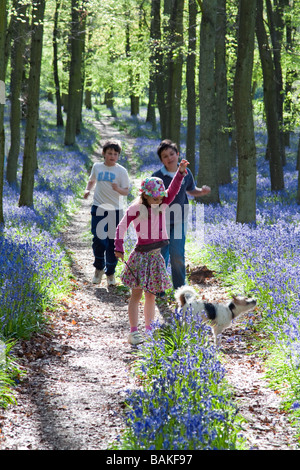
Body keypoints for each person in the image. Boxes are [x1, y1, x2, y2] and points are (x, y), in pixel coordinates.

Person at [114, 159, 189, 345]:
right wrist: (119, 247)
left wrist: (180, 173)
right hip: (140, 257)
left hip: (156, 258)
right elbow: (120, 227)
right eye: (155, 198)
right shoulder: (136, 209)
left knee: (151, 295)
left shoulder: (163, 205)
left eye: (160, 197)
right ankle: (133, 332)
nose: (159, 200)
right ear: (145, 196)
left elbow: (172, 191)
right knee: (136, 295)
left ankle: (149, 331)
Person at [152, 139, 211, 290]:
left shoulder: (186, 172)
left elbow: (191, 190)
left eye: (172, 154)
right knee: (161, 255)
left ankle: (180, 289)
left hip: (180, 219)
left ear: (177, 154)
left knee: (177, 254)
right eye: (165, 156)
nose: (169, 158)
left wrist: (201, 192)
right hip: (161, 220)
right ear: (161, 160)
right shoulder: (157, 177)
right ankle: (159, 288)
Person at [84, 139, 129, 286]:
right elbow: (92, 180)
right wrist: (87, 189)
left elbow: (126, 191)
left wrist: (118, 190)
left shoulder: (121, 171)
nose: (112, 156)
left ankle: (110, 273)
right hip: (98, 208)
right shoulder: (97, 167)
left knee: (112, 243)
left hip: (115, 211)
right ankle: (98, 268)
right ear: (103, 153)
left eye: (115, 154)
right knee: (98, 240)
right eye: (109, 153)